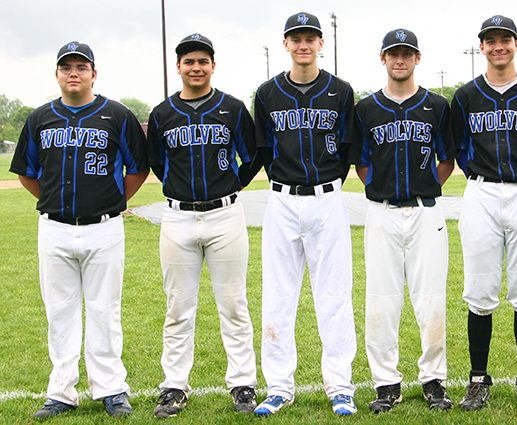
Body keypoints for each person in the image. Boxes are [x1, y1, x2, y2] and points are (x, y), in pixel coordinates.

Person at [9, 41, 149, 418]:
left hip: (104, 227)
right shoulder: (40, 118)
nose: (74, 73)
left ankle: (111, 389)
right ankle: (61, 391)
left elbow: (138, 168)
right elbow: (27, 172)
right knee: (60, 312)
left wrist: (113, 201)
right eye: (66, 67)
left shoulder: (117, 115)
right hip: (53, 228)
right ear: (57, 74)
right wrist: (54, 202)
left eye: (81, 67)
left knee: (105, 310)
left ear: (93, 73)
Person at [146, 34, 261, 417]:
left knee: (234, 304)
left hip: (225, 214)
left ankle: (243, 383)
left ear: (213, 65)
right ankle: (174, 386)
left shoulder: (231, 108)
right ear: (178, 66)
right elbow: (159, 164)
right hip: (177, 216)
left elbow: (253, 154)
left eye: (203, 61)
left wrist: (231, 184)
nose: (196, 67)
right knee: (178, 306)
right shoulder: (163, 114)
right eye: (188, 61)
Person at [449, 15, 517, 411]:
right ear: (482, 47)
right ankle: (478, 378)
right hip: (480, 193)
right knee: (479, 290)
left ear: (516, 43)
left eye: (504, 39)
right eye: (490, 40)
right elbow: (459, 148)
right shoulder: (465, 96)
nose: (498, 46)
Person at [252, 12, 358, 416]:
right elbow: (263, 149)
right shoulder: (267, 93)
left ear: (320, 43)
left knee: (334, 294)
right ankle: (279, 386)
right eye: (296, 38)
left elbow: (348, 148)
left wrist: (326, 187)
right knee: (278, 295)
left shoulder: (341, 91)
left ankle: (340, 385)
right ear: (285, 44)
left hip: (327, 198)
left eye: (310, 37)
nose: (303, 44)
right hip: (280, 199)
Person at [354, 28, 456, 413]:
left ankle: (433, 380)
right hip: (381, 212)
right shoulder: (366, 108)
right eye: (393, 53)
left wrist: (424, 187)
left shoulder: (436, 106)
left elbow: (446, 159)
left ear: (417, 58)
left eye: (407, 53)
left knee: (430, 300)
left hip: (425, 210)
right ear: (383, 58)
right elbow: (361, 163)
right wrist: (381, 190)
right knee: (381, 299)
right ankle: (386, 383)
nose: (400, 60)